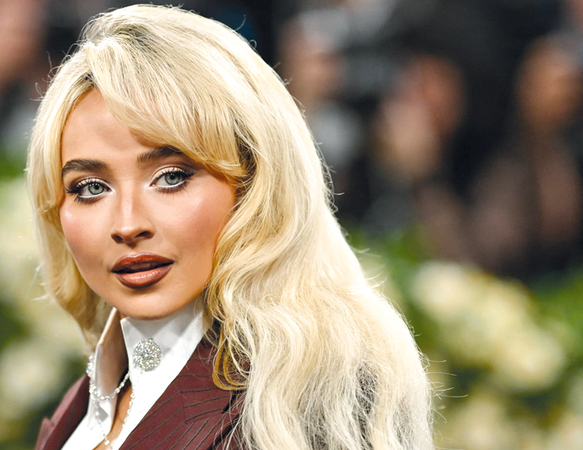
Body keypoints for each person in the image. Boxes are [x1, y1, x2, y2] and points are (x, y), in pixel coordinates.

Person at [27, 5, 433, 450]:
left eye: (172, 177)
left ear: (254, 182)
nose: (128, 224)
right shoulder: (91, 395)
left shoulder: (313, 401)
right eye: (90, 188)